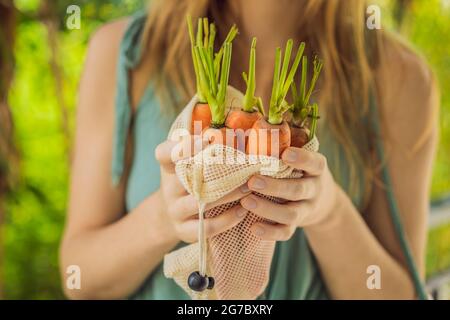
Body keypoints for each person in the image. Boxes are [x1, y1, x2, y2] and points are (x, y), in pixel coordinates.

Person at [59, 0, 438, 299]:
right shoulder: (124, 53)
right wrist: (164, 216)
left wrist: (327, 212)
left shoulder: (398, 78)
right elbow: (79, 279)